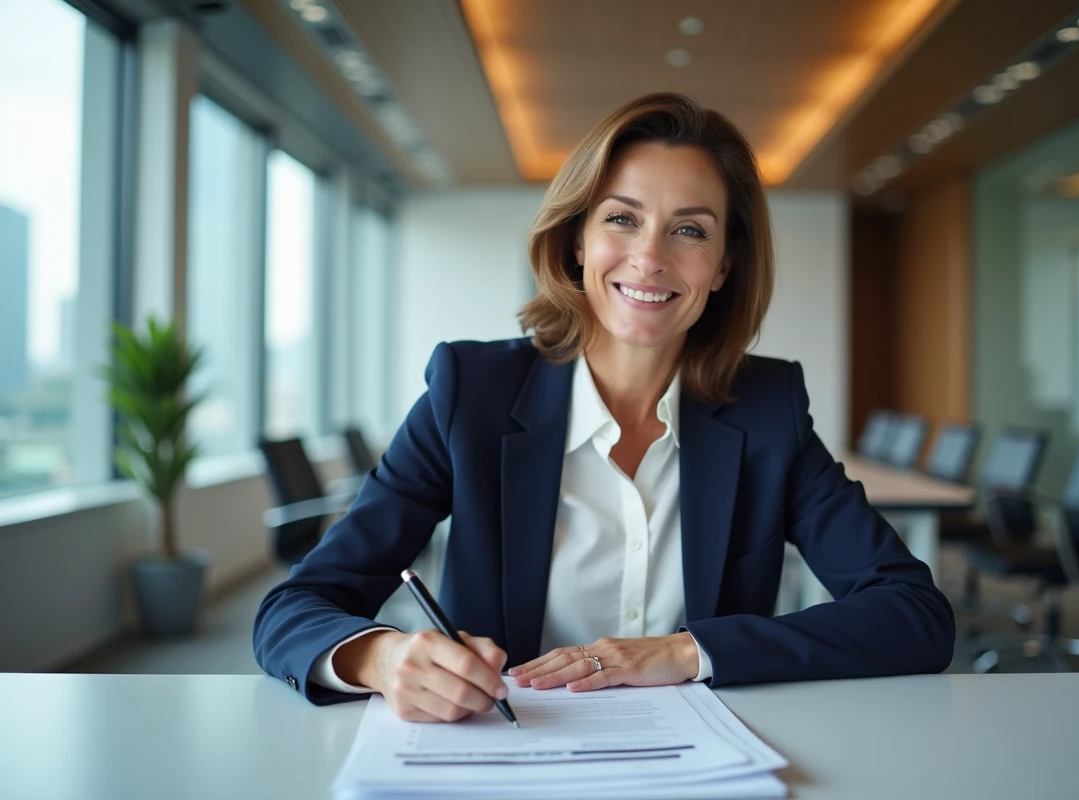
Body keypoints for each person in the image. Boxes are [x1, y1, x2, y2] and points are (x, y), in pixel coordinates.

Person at [253, 92, 954, 722]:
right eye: (622, 218)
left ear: (723, 266)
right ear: (576, 240)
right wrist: (380, 659)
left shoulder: (765, 410)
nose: (650, 258)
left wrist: (688, 651)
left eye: (690, 230)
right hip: (508, 759)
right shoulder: (471, 392)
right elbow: (292, 610)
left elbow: (915, 615)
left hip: (698, 764)